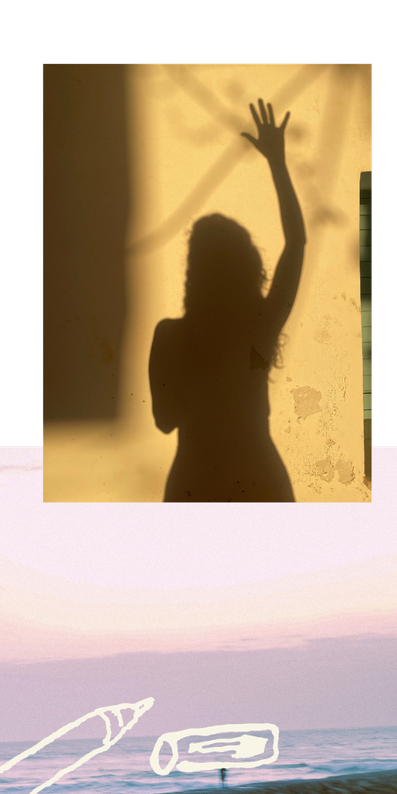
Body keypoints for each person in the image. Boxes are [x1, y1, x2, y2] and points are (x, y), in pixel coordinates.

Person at [146, 97, 303, 502]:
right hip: (260, 479)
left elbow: (164, 421)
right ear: (250, 269)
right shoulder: (259, 331)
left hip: (194, 482)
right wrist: (277, 162)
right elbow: (296, 243)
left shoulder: (170, 337)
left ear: (193, 275)